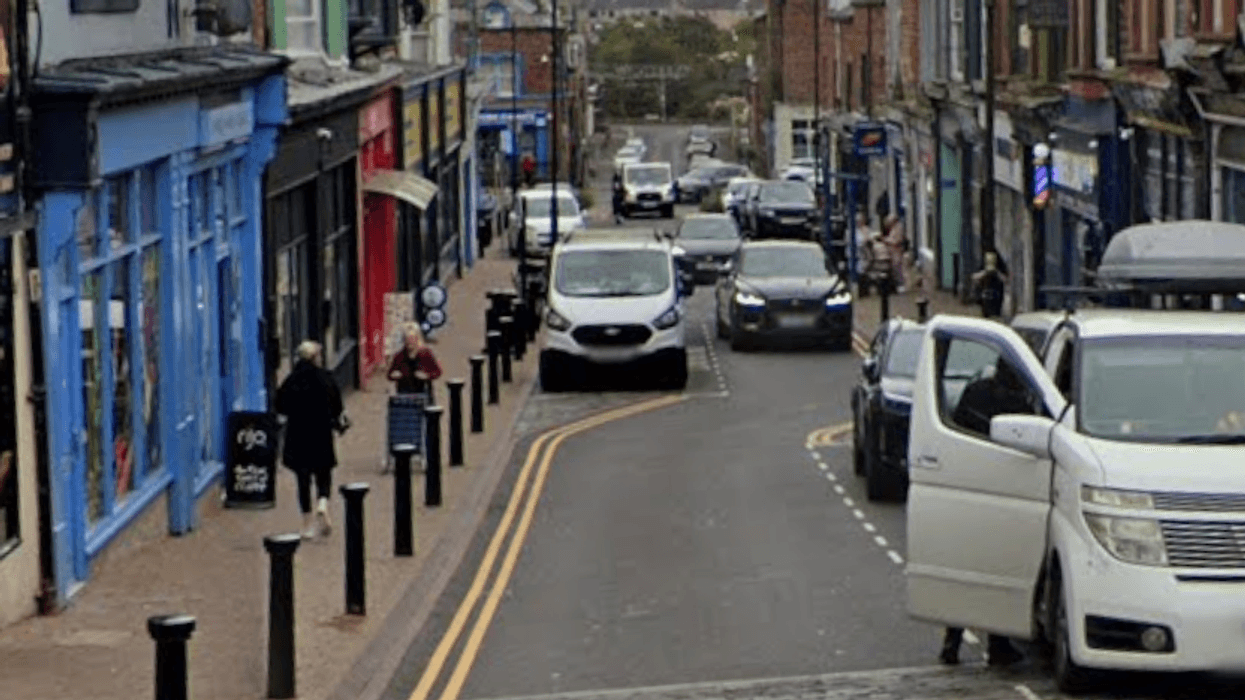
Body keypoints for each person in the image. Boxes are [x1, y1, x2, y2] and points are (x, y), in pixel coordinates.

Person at [940, 359, 1032, 667]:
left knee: (972, 571)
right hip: (1002, 493)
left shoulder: (976, 391)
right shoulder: (1019, 402)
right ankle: (996, 644)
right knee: (996, 572)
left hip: (971, 486)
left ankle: (954, 642)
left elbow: (957, 430)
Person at [276, 340, 346, 540]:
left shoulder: (291, 380)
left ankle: (306, 524)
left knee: (303, 479)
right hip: (321, 433)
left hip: (298, 435)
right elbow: (337, 405)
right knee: (324, 473)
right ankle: (323, 503)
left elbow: (280, 405)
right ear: (315, 358)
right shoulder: (326, 378)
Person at [388, 324, 443, 397]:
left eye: (412, 339)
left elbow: (437, 372)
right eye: (407, 339)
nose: (409, 342)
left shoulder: (426, 354)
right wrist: (394, 375)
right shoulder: (399, 356)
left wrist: (426, 376)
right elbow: (389, 375)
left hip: (423, 393)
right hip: (404, 394)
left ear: (417, 339)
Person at [971, 250, 1009, 319]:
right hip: (985, 297)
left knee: (995, 316)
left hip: (996, 297)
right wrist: (985, 272)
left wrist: (997, 272)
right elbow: (974, 276)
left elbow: (1006, 279)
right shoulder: (981, 264)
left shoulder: (1000, 267)